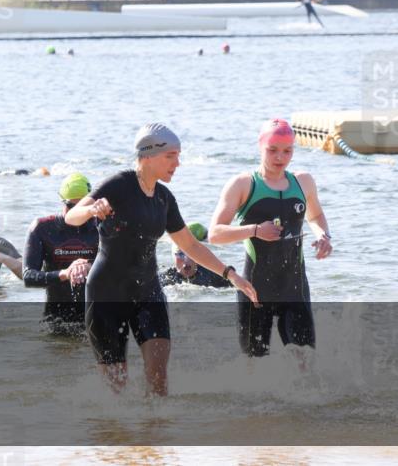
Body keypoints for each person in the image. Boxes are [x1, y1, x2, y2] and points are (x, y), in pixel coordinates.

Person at [65, 123, 258, 395]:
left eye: (178, 156)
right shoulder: (119, 185)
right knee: (115, 390)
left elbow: (190, 244)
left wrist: (230, 274)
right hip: (106, 295)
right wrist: (90, 211)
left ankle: (155, 433)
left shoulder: (164, 199)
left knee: (158, 381)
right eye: (171, 156)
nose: (177, 163)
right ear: (147, 156)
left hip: (147, 293)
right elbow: (70, 216)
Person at [209, 118, 333, 358]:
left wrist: (323, 236)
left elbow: (316, 215)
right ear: (260, 146)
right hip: (255, 289)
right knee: (255, 369)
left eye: (287, 151)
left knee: (305, 362)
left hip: (294, 288)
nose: (280, 157)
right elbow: (215, 234)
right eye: (273, 150)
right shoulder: (243, 184)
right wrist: (255, 230)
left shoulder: (303, 181)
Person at [23, 173, 100, 332]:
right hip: (56, 321)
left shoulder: (101, 227)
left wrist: (89, 266)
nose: (77, 213)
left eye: (83, 207)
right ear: (62, 201)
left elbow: (120, 269)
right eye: (72, 207)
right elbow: (29, 277)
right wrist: (65, 273)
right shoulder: (43, 228)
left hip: (97, 318)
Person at [158, 223, 232, 288]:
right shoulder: (165, 279)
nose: (186, 259)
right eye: (180, 254)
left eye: (190, 254)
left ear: (197, 256)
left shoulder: (213, 275)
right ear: (173, 257)